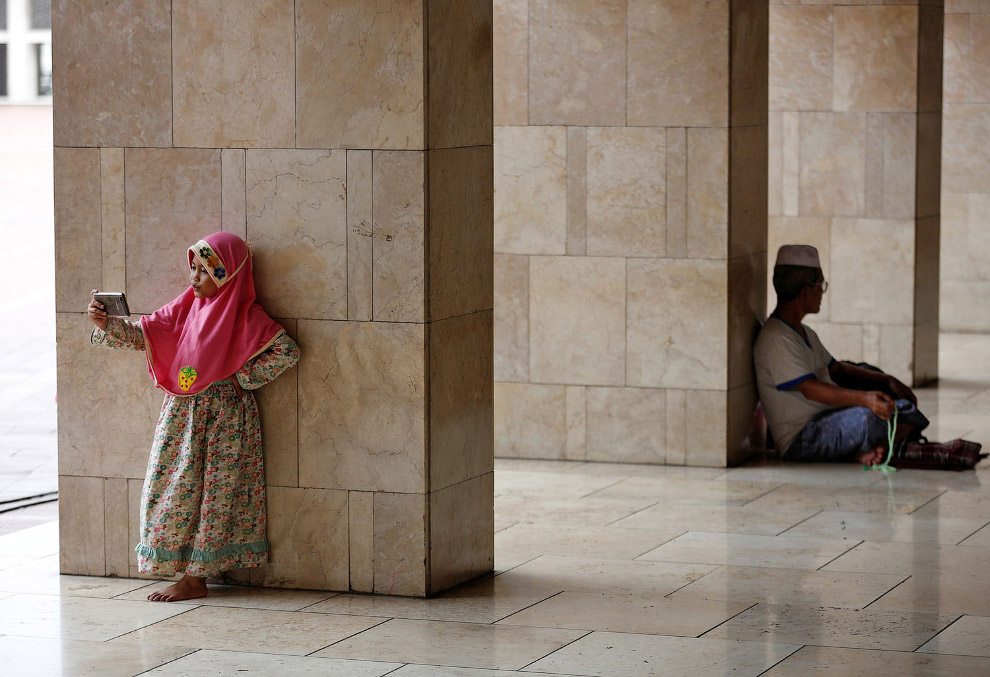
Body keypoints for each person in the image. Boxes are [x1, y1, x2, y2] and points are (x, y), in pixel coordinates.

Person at [88, 232, 300, 602]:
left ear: (226, 276)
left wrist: (240, 378)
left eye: (205, 271)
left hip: (225, 420)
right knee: (174, 485)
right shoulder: (186, 307)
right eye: (193, 268)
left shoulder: (246, 317)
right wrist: (106, 325)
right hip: (181, 417)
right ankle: (182, 567)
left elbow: (287, 352)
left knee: (216, 492)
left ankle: (196, 577)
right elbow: (143, 335)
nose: (194, 278)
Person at [754, 244, 928, 465]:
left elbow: (837, 369)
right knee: (872, 418)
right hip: (803, 437)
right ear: (805, 290)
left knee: (879, 386)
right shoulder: (777, 338)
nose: (822, 293)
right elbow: (810, 389)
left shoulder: (803, 332)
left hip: (829, 417)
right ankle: (873, 447)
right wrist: (866, 400)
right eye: (821, 286)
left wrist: (886, 381)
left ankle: (863, 448)